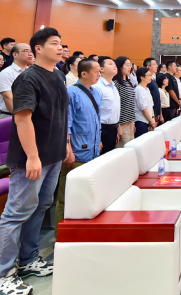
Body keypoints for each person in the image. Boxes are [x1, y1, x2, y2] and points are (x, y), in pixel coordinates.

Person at [0, 28, 68, 295]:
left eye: (61, 44)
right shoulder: (28, 78)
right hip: (31, 158)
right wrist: (32, 157)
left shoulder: (57, 75)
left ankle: (28, 259)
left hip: (53, 154)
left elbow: (59, 115)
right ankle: (1, 276)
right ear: (38, 49)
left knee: (40, 206)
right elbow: (23, 119)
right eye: (54, 43)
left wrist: (64, 145)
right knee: (16, 213)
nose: (60, 48)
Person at [55, 58, 101, 231]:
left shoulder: (95, 92)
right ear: (84, 73)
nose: (99, 74)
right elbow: (66, 123)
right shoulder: (71, 93)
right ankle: (60, 237)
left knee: (85, 197)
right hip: (76, 151)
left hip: (92, 151)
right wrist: (68, 148)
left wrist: (98, 141)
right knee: (66, 198)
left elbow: (95, 121)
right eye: (96, 71)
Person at [0, 43, 35, 120]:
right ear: (15, 55)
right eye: (26, 51)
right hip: (9, 116)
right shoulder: (6, 73)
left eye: (31, 51)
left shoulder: (32, 72)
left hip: (30, 116)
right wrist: (21, 118)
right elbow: (8, 98)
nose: (30, 54)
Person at [94, 57, 121, 152]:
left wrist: (118, 127)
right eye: (110, 64)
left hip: (113, 127)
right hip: (102, 128)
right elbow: (94, 112)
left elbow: (115, 109)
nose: (114, 65)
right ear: (101, 69)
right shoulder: (97, 86)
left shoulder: (113, 85)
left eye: (114, 64)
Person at [114, 56, 136, 147]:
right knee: (124, 149)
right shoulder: (116, 83)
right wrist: (118, 126)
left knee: (131, 148)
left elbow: (131, 103)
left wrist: (132, 122)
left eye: (130, 65)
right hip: (122, 124)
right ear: (120, 66)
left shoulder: (128, 82)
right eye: (127, 65)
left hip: (130, 122)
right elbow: (116, 106)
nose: (130, 67)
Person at [134, 67, 156, 138]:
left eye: (151, 75)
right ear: (142, 77)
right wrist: (151, 120)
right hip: (141, 121)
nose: (151, 77)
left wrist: (152, 118)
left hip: (148, 120)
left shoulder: (147, 89)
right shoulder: (138, 89)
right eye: (149, 75)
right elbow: (143, 108)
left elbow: (151, 105)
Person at [142, 58, 162, 125]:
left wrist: (158, 112)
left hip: (154, 113)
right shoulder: (146, 81)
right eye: (154, 64)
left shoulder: (152, 79)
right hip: (149, 115)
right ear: (148, 66)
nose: (157, 66)